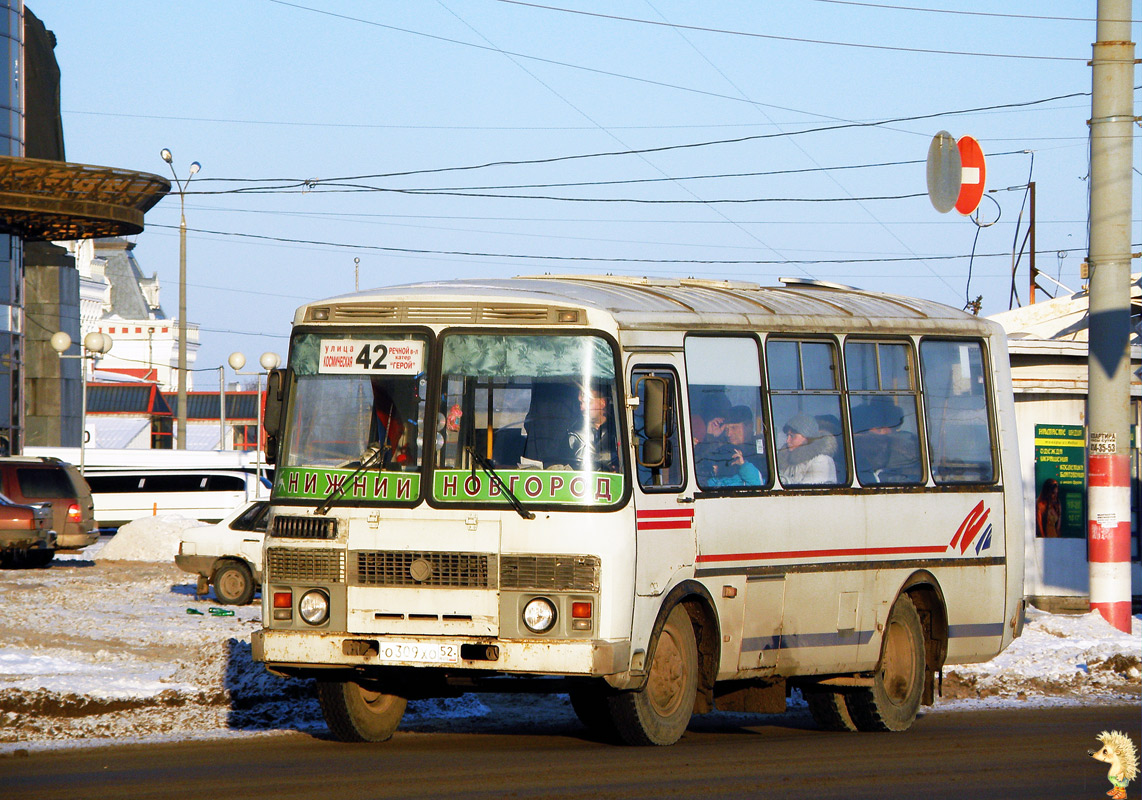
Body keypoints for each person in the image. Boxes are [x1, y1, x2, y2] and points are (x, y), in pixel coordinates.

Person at [568, 378, 619, 472]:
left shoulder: (619, 431)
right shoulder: (572, 435)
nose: (582, 408)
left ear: (602, 403)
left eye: (587, 402)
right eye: (581, 403)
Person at [704, 405, 763, 487]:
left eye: (734, 428)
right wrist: (710, 436)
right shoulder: (722, 450)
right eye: (726, 429)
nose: (728, 434)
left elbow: (760, 483)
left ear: (749, 426)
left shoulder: (762, 451)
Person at [777, 413, 836, 485]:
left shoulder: (821, 461)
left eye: (792, 436)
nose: (787, 440)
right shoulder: (785, 460)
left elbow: (808, 492)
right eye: (787, 436)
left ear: (807, 437)